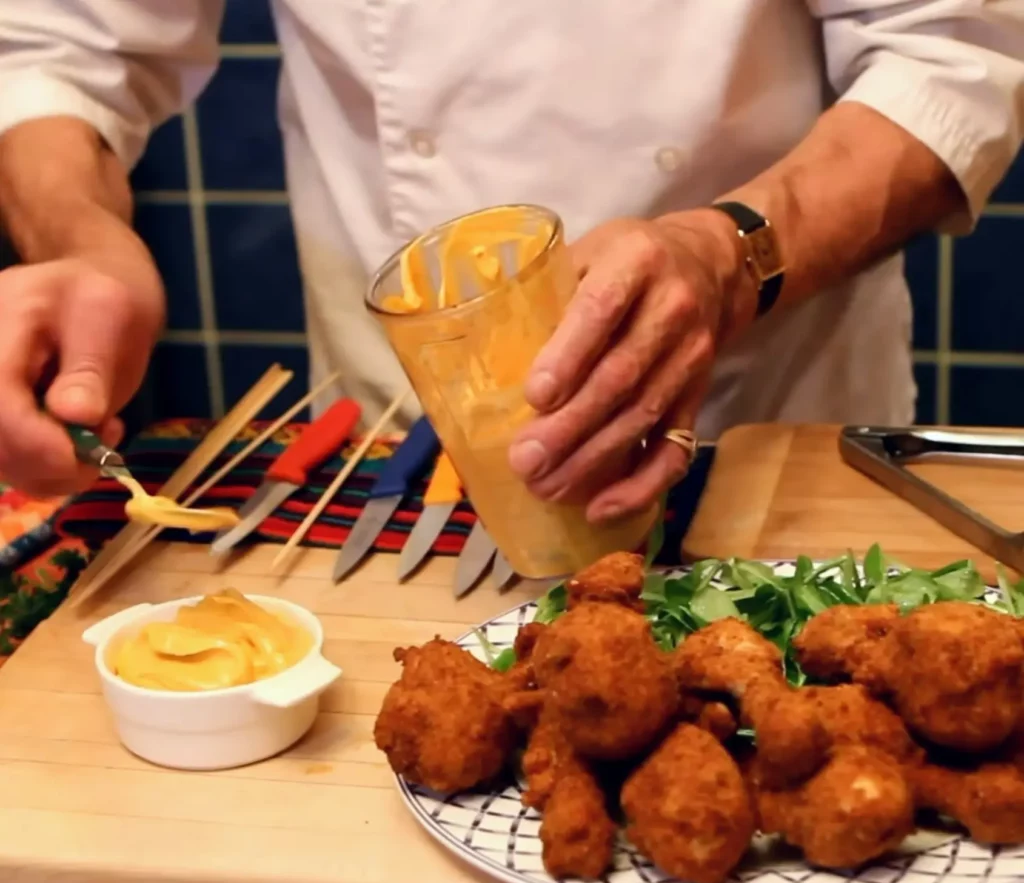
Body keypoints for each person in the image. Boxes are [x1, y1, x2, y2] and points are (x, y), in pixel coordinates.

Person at [0, 3, 1021, 523]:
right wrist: (81, 237)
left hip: (764, 415)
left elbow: (951, 60)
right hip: (393, 447)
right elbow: (67, 47)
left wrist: (726, 255)